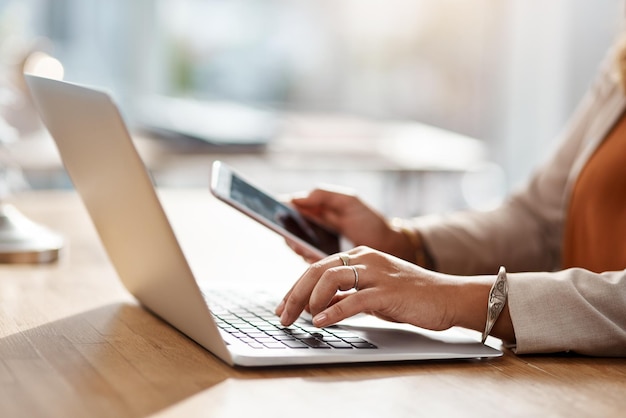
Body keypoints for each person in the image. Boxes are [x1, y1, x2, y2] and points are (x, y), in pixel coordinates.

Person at [275, 30, 626, 357]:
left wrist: (450, 298)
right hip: (572, 379)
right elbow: (537, 222)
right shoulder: (620, 61)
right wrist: (405, 242)